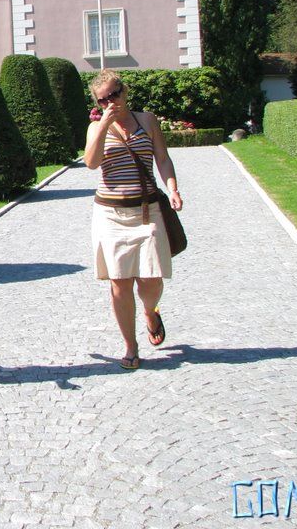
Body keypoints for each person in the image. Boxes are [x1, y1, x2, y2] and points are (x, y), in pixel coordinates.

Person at [84, 70, 183, 370]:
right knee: (120, 283)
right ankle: (130, 345)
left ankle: (150, 312)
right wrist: (104, 125)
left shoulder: (147, 120)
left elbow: (162, 158)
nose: (110, 102)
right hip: (111, 215)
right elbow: (91, 163)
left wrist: (173, 188)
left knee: (151, 279)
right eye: (103, 100)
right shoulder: (95, 127)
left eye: (114, 95)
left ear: (124, 91)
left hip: (147, 210)